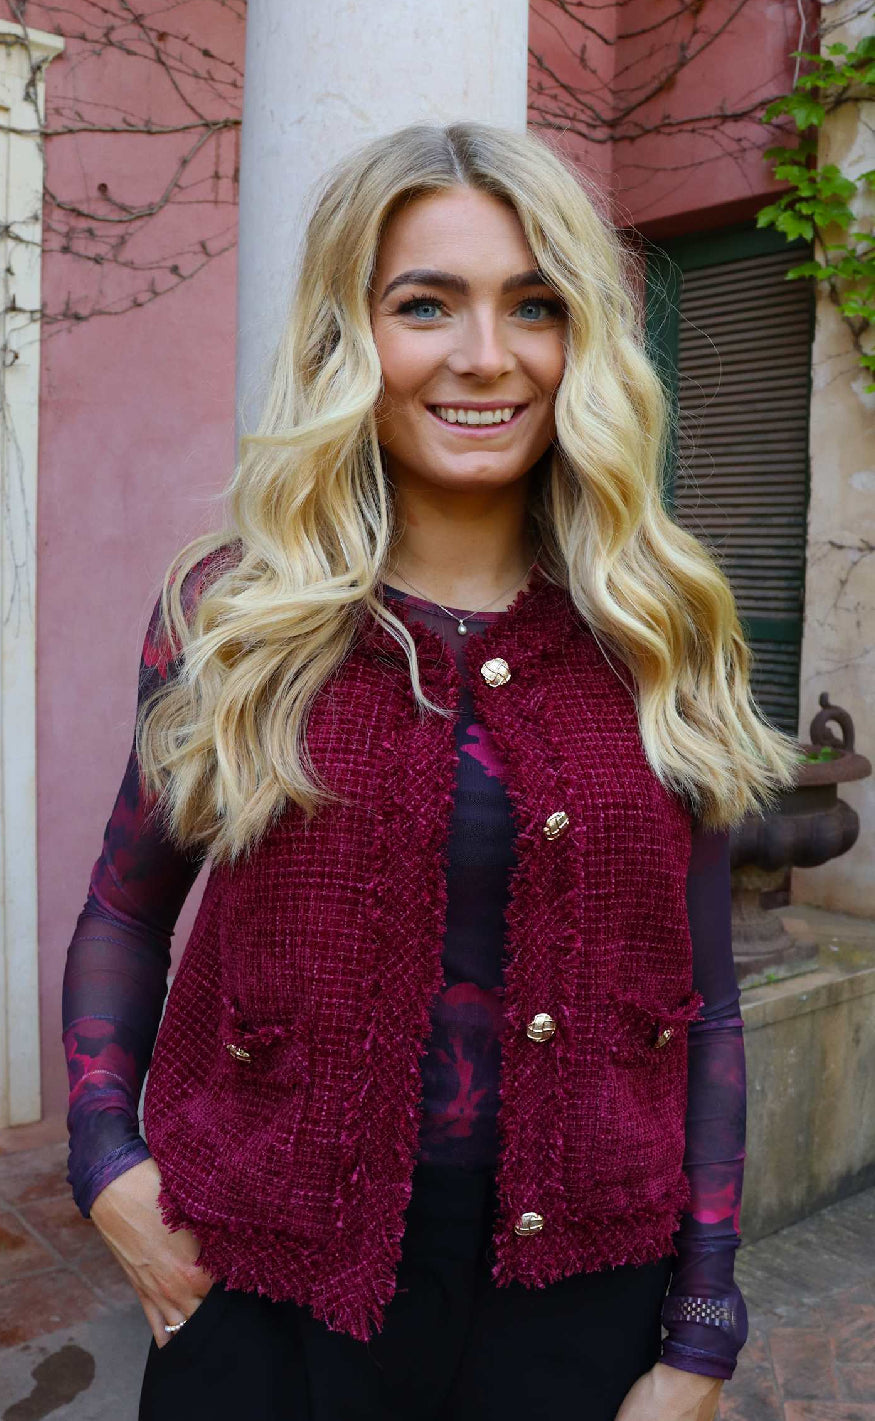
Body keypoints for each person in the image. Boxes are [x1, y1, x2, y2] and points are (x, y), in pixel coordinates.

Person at [62, 121, 799, 1421]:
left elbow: (707, 1007)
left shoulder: (659, 629)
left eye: (535, 304)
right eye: (426, 304)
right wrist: (106, 1158)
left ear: (582, 338)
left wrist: (701, 1328)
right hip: (264, 1289)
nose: (485, 354)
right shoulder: (232, 618)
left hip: (578, 1306)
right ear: (351, 332)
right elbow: (126, 908)